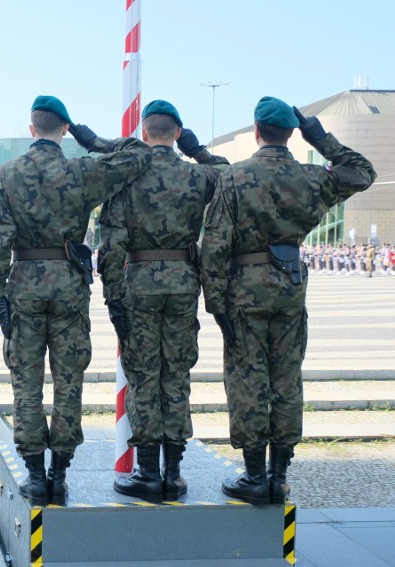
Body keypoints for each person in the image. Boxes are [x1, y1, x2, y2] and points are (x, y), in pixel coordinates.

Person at [200, 97, 377, 505]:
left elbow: (214, 246)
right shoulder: (311, 177)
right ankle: (279, 475)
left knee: (248, 378)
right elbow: (362, 171)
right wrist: (320, 136)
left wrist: (215, 303)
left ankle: (254, 475)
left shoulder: (237, 177)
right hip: (291, 286)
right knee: (286, 379)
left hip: (244, 288)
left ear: (257, 131)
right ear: (292, 133)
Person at [0, 95, 151, 506]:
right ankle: (59, 474)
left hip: (23, 284)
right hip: (70, 287)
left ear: (31, 128)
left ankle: (36, 477)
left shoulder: (7, 175)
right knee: (69, 380)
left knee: (26, 380)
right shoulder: (82, 171)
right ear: (64, 130)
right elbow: (139, 153)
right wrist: (91, 139)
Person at [88, 100, 227, 502]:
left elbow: (110, 242)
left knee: (144, 374)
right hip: (184, 284)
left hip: (139, 285)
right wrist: (199, 151)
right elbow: (234, 178)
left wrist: (113, 296)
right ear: (178, 134)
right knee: (176, 374)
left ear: (144, 134)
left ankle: (147, 472)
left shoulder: (128, 177)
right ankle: (175, 473)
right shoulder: (198, 175)